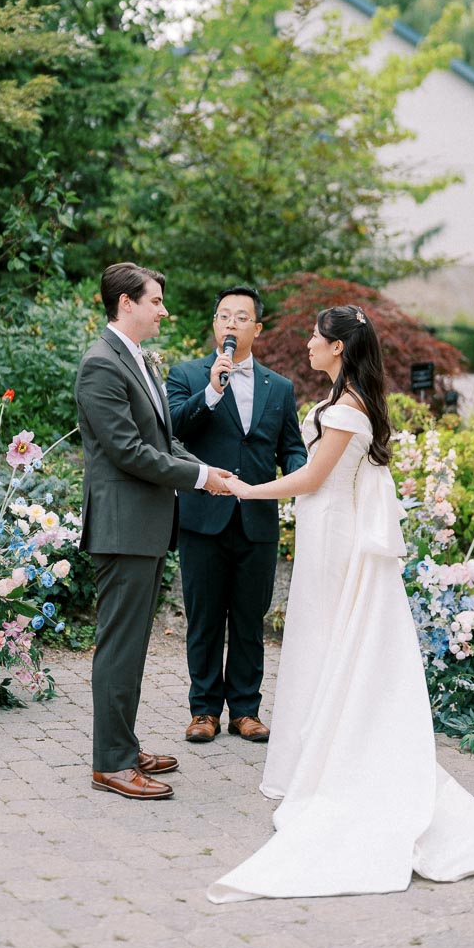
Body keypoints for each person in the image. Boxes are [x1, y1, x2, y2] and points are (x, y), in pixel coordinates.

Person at [208, 305, 474, 899]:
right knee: (320, 641)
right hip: (326, 529)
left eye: (317, 338)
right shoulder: (347, 399)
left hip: (334, 533)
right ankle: (317, 754)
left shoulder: (345, 408)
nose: (310, 345)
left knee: (328, 639)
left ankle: (333, 762)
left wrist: (245, 489)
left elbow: (312, 479)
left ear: (338, 347)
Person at [74, 262, 231, 801]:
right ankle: (111, 764)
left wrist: (208, 473)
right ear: (126, 304)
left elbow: (161, 440)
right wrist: (200, 475)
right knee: (118, 648)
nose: (164, 311)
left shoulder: (137, 360)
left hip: (144, 525)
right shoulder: (101, 365)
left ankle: (123, 743)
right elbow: (128, 452)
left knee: (133, 645)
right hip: (121, 527)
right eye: (156, 301)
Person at [166, 286, 307, 744]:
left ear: (257, 328)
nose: (231, 324)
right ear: (213, 324)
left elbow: (291, 450)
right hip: (202, 518)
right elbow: (173, 430)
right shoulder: (186, 375)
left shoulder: (280, 387)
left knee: (250, 619)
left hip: (257, 521)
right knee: (204, 617)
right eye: (224, 315)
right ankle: (203, 710)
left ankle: (246, 710)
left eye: (241, 317)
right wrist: (211, 390)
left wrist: (305, 484)